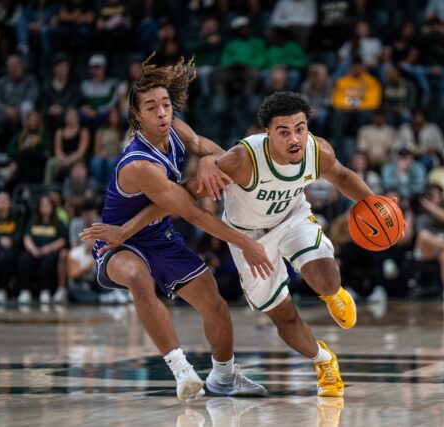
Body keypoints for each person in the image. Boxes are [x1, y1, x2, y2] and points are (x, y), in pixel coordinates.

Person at [86, 92, 381, 398]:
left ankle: (332, 293)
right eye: (284, 132)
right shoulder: (243, 160)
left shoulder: (317, 151)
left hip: (293, 219)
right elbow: (181, 200)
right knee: (285, 317)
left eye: (300, 128)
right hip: (247, 235)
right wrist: (127, 229)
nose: (295, 138)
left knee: (322, 275)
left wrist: (377, 204)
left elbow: (344, 177)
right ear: (266, 133)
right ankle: (324, 360)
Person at [79, 57, 273, 401]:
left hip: (159, 235)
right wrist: (247, 243)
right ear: (137, 115)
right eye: (152, 107)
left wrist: (212, 161)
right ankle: (182, 371)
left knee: (215, 304)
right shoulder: (139, 164)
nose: (162, 113)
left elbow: (214, 151)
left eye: (166, 105)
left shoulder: (178, 131)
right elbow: (192, 213)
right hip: (118, 242)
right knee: (138, 277)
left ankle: (225, 378)